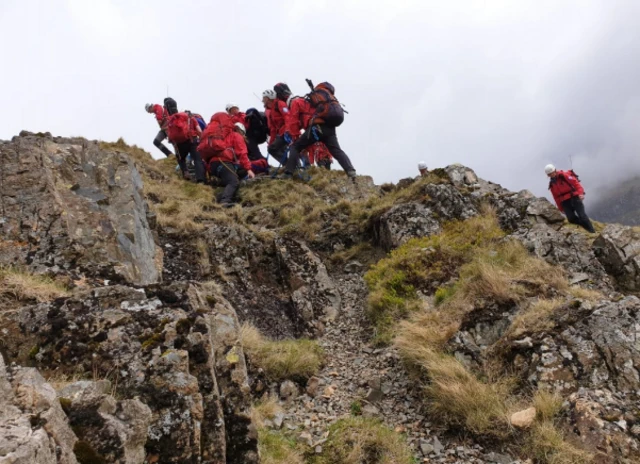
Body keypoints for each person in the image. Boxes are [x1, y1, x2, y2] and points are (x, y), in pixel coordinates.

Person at [280, 81, 356, 180]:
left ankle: (288, 174)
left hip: (316, 127)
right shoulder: (318, 101)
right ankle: (351, 171)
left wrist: (294, 136)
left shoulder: (297, 103)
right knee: (336, 150)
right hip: (329, 127)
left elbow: (293, 122)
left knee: (295, 147)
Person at [204, 117, 255, 207]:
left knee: (235, 175)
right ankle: (225, 201)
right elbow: (242, 153)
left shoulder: (223, 135)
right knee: (233, 182)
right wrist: (248, 169)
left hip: (213, 164)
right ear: (242, 132)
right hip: (223, 162)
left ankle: (219, 188)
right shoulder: (237, 136)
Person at [546, 164, 595, 233]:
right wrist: (561, 208)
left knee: (582, 216)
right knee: (571, 219)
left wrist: (580, 193)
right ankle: (586, 228)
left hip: (574, 197)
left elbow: (576, 183)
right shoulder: (552, 184)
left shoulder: (564, 175)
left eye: (551, 173)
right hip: (565, 202)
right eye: (549, 174)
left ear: (555, 170)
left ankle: (592, 231)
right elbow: (556, 197)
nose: (551, 175)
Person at [165, 104, 206, 183]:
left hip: (180, 143)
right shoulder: (192, 118)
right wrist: (201, 140)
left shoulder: (173, 120)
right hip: (192, 140)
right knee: (197, 159)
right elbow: (200, 131)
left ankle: (185, 173)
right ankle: (200, 180)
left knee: (181, 159)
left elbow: (170, 135)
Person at [262, 89, 289, 164]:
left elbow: (287, 117)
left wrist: (287, 130)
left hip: (288, 132)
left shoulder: (280, 104)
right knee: (271, 149)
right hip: (281, 134)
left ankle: (291, 166)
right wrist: (271, 142)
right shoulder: (271, 111)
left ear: (268, 98)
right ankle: (288, 165)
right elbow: (273, 129)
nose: (262, 100)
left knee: (296, 150)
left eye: (264, 98)